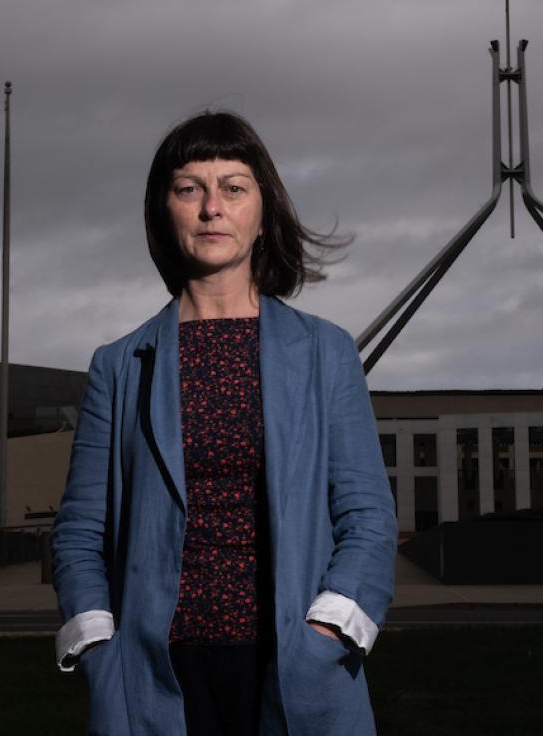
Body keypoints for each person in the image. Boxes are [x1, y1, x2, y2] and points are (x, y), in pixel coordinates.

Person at [51, 111, 398, 735]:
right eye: (190, 188)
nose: (212, 207)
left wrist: (327, 632)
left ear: (263, 212)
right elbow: (79, 532)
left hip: (293, 661)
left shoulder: (326, 352)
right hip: (156, 674)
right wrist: (100, 646)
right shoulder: (118, 365)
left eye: (233, 188)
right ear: (165, 210)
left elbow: (368, 516)